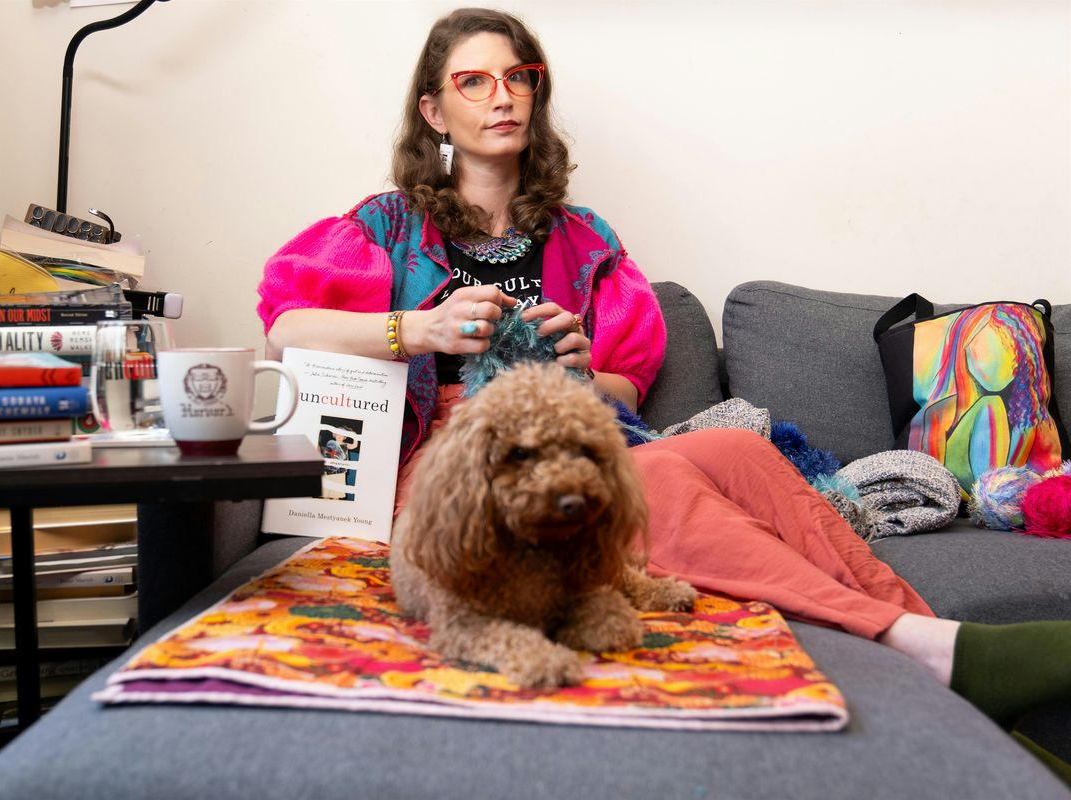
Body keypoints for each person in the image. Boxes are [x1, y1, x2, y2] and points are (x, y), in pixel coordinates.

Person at [258, 7, 1071, 759]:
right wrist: (417, 330)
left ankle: (944, 655)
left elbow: (623, 395)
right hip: (460, 464)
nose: (502, 96)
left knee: (736, 451)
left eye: (519, 77)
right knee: (666, 479)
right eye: (474, 80)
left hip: (574, 439)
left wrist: (582, 372)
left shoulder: (584, 240)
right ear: (435, 111)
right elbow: (285, 326)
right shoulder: (386, 225)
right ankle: (921, 652)